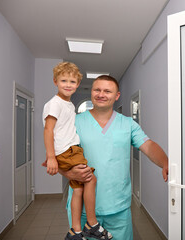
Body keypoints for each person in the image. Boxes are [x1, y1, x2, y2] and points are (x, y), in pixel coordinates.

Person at [60, 75, 169, 240]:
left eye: (107, 91)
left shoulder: (128, 124)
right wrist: (68, 174)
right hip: (82, 209)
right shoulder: (74, 122)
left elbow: (148, 146)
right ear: (91, 92)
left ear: (116, 96)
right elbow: (56, 157)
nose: (101, 94)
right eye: (97, 89)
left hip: (118, 207)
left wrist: (165, 162)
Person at [42, 62, 112, 240]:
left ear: (78, 84)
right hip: (68, 151)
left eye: (72, 82)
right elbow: (48, 130)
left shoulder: (69, 104)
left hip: (70, 150)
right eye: (63, 80)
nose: (68, 84)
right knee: (91, 178)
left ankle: (75, 230)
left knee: (78, 189)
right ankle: (92, 224)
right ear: (55, 81)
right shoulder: (54, 104)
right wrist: (51, 157)